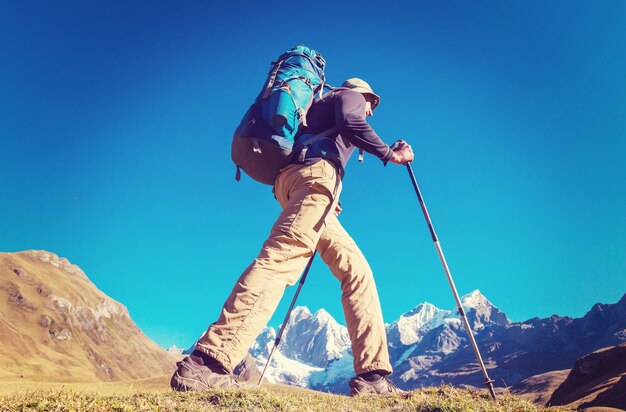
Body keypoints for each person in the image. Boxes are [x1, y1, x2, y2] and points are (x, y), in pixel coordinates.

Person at [171, 78, 414, 395]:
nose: (371, 112)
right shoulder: (350, 97)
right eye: (373, 104)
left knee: (357, 270)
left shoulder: (318, 109)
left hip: (301, 183)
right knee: (281, 259)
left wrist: (324, 186)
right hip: (314, 179)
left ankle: (372, 378)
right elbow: (352, 121)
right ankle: (207, 363)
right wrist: (388, 154)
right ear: (364, 94)